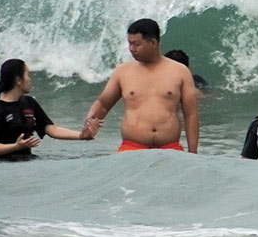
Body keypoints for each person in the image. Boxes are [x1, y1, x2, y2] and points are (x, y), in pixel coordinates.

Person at [84, 19, 200, 153]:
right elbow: (103, 104)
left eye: (136, 44)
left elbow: (190, 114)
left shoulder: (180, 71)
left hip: (170, 147)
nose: (131, 49)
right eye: (129, 43)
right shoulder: (123, 71)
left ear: (153, 43)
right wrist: (89, 123)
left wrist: (193, 152)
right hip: (132, 147)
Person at [0, 59, 100, 160]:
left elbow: (51, 129)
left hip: (24, 161)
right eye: (28, 75)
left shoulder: (29, 102)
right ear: (18, 80)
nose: (30, 80)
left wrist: (82, 135)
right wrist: (16, 146)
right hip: (1, 165)